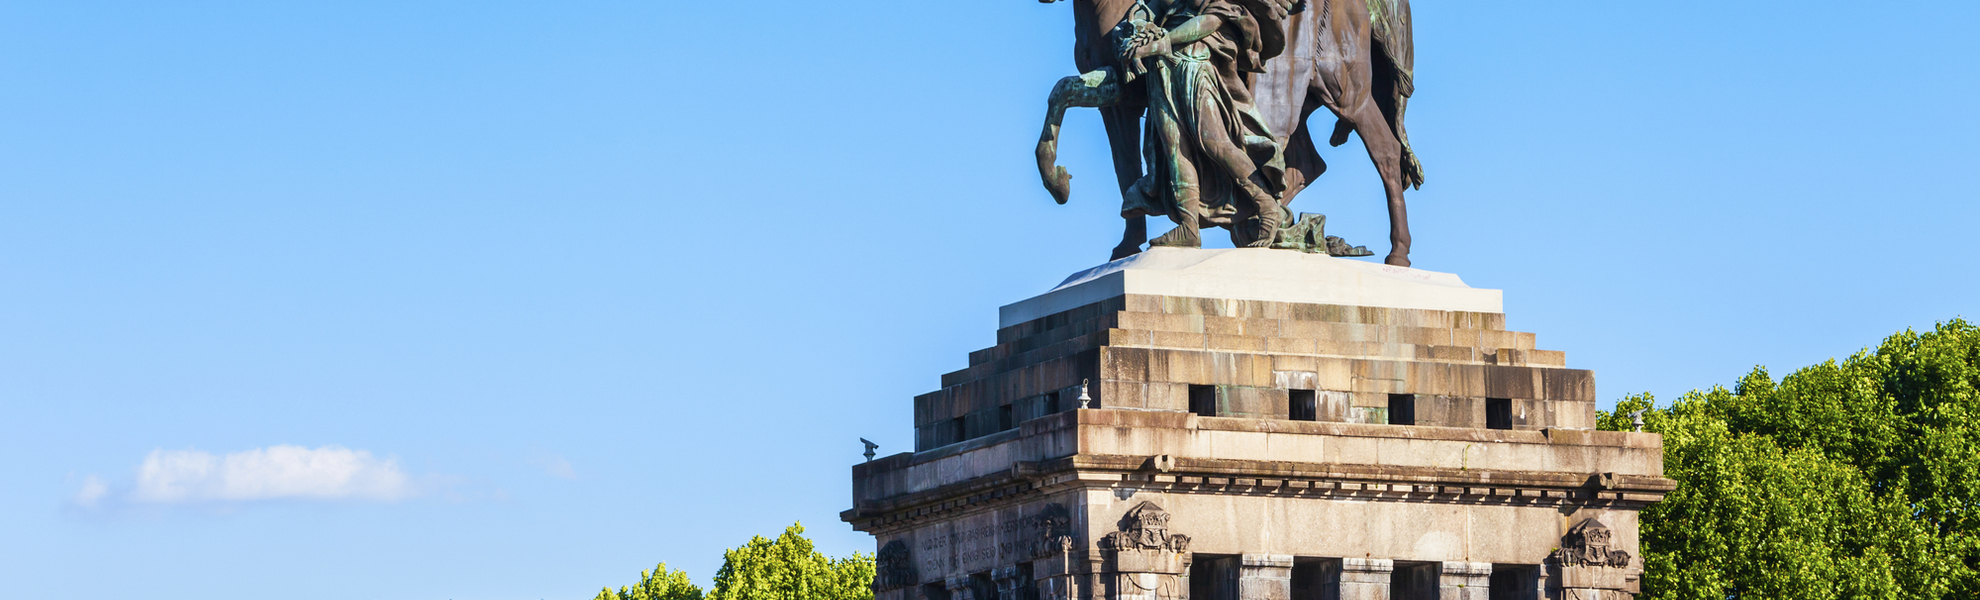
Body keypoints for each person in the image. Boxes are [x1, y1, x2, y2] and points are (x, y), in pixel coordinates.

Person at [1117, 0, 1298, 248]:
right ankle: (1188, 228)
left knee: (1216, 143)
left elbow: (1213, 19)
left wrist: (1160, 42)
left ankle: (1267, 205)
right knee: (1175, 149)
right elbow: (1150, 9)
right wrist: (1138, 29)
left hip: (1194, 65)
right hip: (1162, 71)